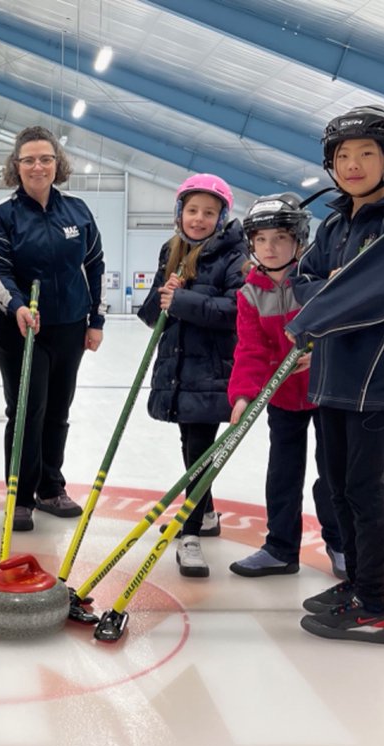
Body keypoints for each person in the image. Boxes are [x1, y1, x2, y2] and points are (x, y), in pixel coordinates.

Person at [284, 104, 384, 645]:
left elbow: (380, 286)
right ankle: (354, 585)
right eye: (343, 155)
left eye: (366, 153)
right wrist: (325, 295)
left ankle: (373, 604)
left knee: (366, 490)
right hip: (331, 378)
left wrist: (317, 308)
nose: (353, 164)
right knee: (338, 486)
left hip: (375, 381)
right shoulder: (332, 223)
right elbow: (304, 280)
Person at [0, 125, 106, 531]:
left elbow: (96, 265)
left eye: (46, 158)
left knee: (58, 411)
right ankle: (20, 496)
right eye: (30, 159)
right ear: (16, 167)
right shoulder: (2, 214)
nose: (38, 166)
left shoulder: (78, 211)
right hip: (22, 331)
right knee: (25, 412)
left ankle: (51, 488)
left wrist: (96, 319)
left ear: (58, 164)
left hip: (69, 326)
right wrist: (16, 306)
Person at [226, 193, 345, 580]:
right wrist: (243, 395)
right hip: (282, 398)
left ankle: (341, 544)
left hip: (326, 391)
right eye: (261, 239)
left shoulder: (314, 280)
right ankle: (280, 547)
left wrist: (325, 354)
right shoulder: (250, 293)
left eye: (279, 237)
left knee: (333, 474)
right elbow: (250, 348)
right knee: (282, 473)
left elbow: (341, 327)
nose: (270, 247)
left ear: (298, 239)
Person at [137, 174, 246, 578]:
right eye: (192, 210)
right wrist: (165, 294)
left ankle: (191, 532)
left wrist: (183, 299)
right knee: (191, 444)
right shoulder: (172, 249)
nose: (198, 219)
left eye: (209, 212)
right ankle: (208, 514)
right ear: (180, 212)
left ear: (221, 217)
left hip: (211, 367)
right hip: (178, 366)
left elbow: (237, 309)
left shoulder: (235, 255)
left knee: (199, 449)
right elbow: (153, 316)